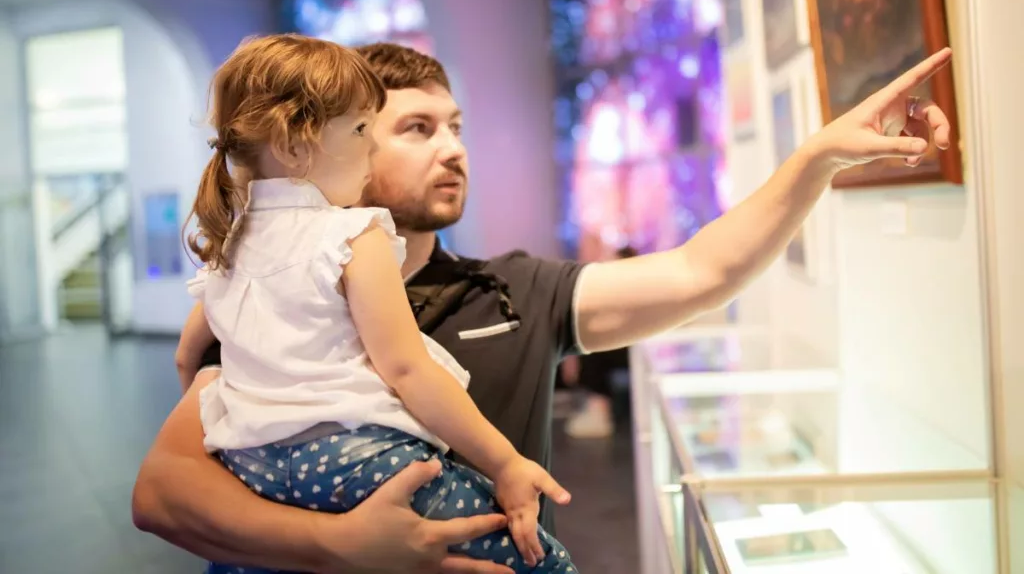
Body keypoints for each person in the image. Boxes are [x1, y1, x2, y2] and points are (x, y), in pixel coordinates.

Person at [132, 41, 954, 574]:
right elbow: (164, 497)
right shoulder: (269, 293)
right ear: (326, 142)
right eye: (414, 127)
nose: (453, 146)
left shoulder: (514, 289)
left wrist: (814, 159)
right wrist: (344, 547)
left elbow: (703, 270)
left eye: (455, 125)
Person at [172, 33, 579, 574]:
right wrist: (506, 463)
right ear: (295, 145)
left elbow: (188, 359)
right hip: (356, 459)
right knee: (539, 560)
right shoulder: (353, 234)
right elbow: (407, 368)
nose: (371, 147)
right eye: (363, 129)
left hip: (253, 466)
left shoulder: (233, 242)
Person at [563, 246, 636, 439]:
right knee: (588, 346)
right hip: (628, 346)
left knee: (593, 349)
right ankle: (596, 406)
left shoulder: (635, 292)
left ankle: (598, 408)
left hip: (637, 349)